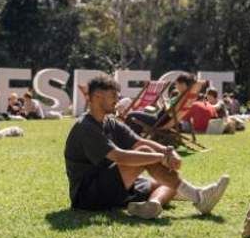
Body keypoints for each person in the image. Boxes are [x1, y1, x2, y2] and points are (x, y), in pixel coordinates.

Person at [64, 76, 229, 219]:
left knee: (168, 183)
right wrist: (160, 157)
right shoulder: (86, 127)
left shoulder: (110, 122)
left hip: (112, 185)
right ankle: (198, 197)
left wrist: (167, 151)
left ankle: (152, 205)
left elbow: (139, 142)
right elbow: (120, 157)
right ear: (98, 96)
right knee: (145, 155)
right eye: (113, 95)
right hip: (88, 195)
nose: (118, 98)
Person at [125, 73, 196, 135]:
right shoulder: (183, 96)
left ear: (183, 84)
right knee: (137, 118)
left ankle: (127, 137)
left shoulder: (181, 98)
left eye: (176, 83)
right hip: (159, 118)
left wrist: (165, 103)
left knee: (131, 115)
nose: (175, 86)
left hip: (158, 120)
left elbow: (171, 112)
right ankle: (135, 138)